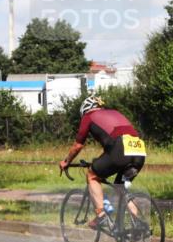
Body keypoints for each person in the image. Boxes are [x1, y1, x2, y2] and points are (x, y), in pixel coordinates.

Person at [59, 94, 146, 229]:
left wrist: (66, 161)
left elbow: (78, 145)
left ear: (85, 110)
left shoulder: (89, 116)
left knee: (92, 175)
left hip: (120, 149)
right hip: (139, 150)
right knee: (120, 187)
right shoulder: (115, 112)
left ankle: (101, 216)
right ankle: (137, 223)